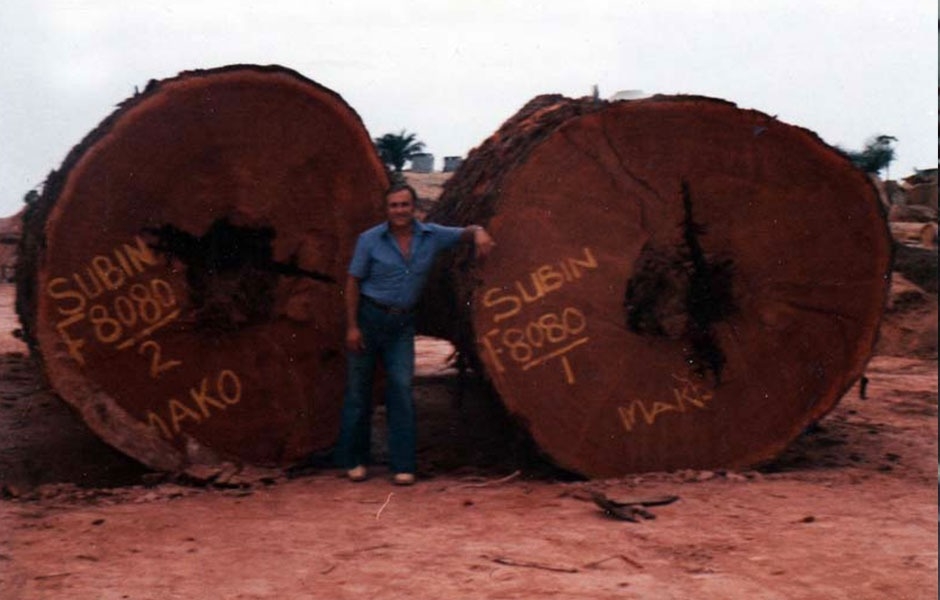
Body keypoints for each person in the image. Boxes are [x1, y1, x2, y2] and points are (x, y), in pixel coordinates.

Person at [335, 182, 495, 485]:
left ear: (414, 207)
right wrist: (352, 326)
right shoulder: (369, 240)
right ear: (386, 210)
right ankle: (354, 460)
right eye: (394, 206)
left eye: (404, 205)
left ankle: (403, 465)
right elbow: (353, 281)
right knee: (359, 391)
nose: (399, 211)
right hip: (370, 318)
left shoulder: (431, 236)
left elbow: (465, 233)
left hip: (402, 325)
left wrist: (479, 232)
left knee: (401, 388)